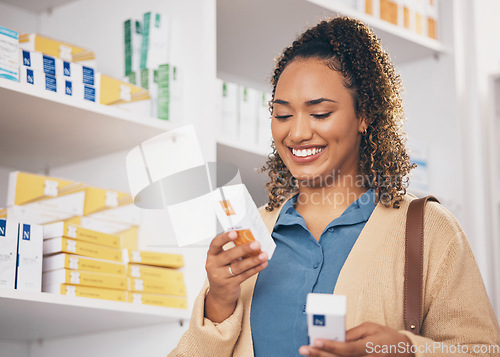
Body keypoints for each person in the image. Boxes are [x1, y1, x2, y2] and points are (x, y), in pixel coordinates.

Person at [169, 16, 500, 357]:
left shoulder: (428, 229)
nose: (296, 133)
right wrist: (218, 304)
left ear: (364, 115)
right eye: (282, 115)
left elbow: (484, 351)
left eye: (320, 113)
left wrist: (406, 349)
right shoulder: (252, 234)